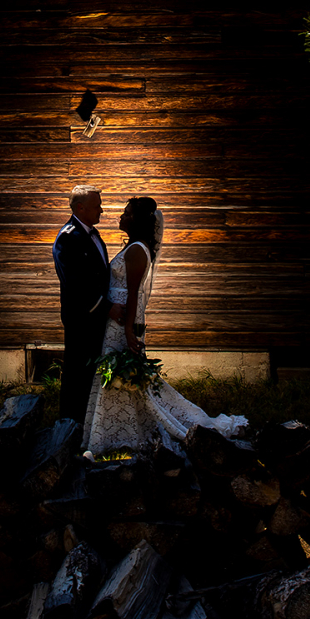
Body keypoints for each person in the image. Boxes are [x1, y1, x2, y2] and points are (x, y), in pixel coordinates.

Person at [81, 195, 247, 458]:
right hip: (116, 317)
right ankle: (119, 430)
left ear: (136, 220)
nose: (120, 217)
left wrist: (127, 331)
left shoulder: (137, 250)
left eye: (126, 213)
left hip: (124, 318)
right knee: (118, 373)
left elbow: (134, 293)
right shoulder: (133, 246)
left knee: (121, 371)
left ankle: (130, 431)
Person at [53, 184, 112, 426]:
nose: (102, 210)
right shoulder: (68, 238)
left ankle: (89, 426)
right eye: (97, 206)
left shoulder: (94, 235)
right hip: (82, 320)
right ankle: (68, 428)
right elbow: (76, 286)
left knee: (92, 377)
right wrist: (106, 308)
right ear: (80, 207)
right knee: (76, 377)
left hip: (98, 320)